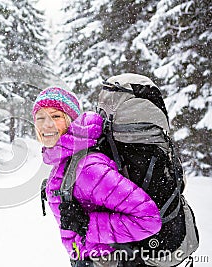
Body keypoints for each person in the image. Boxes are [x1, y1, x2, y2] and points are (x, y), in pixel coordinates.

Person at [32, 87, 162, 267]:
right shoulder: (67, 158)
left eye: (56, 116)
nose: (46, 125)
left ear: (71, 120)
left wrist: (87, 224)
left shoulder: (88, 168)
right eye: (40, 118)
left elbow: (149, 219)